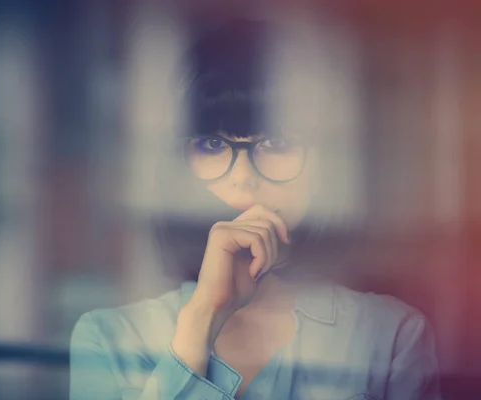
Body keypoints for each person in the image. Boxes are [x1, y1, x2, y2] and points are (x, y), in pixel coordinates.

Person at [70, 19, 441, 400]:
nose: (243, 177)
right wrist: (201, 319)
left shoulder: (390, 336)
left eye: (275, 143)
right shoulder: (109, 338)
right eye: (212, 145)